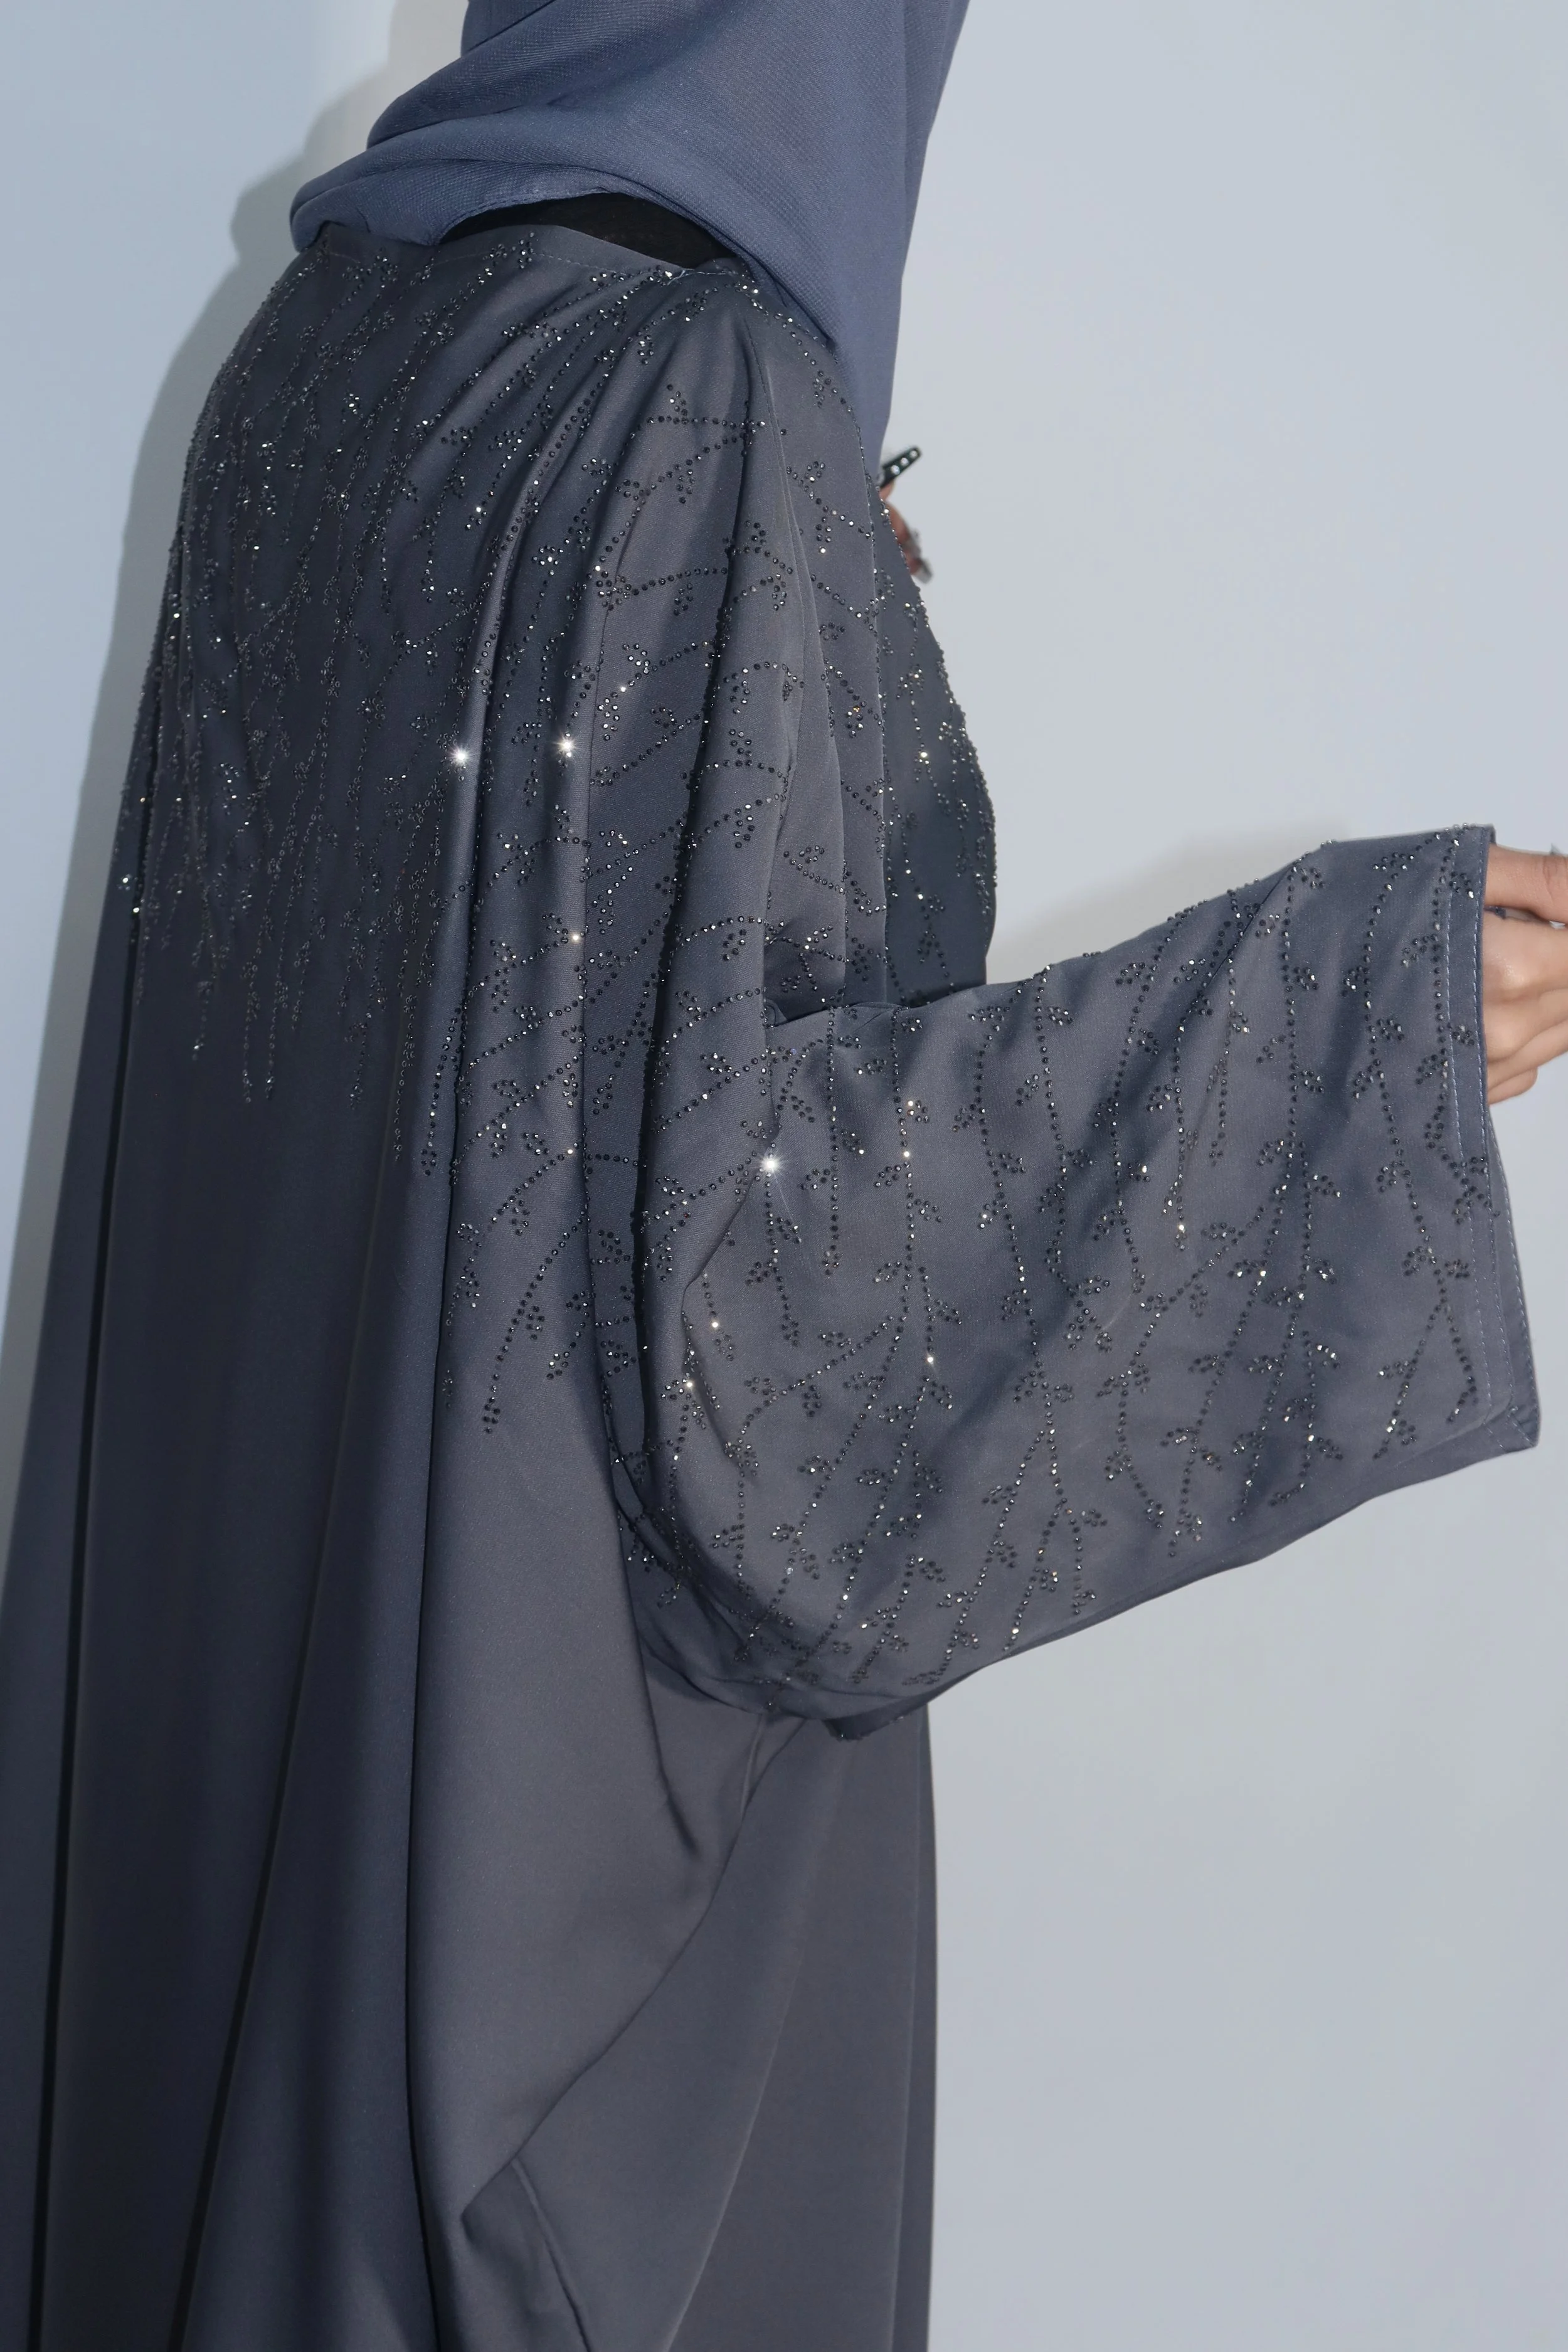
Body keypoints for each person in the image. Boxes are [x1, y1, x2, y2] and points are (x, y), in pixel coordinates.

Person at [1, 4, 1565, 2348]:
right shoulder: (687, 394)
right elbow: (749, 1328)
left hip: (233, 1856)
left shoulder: (313, 357)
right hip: (516, 1955)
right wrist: (1361, 1034)